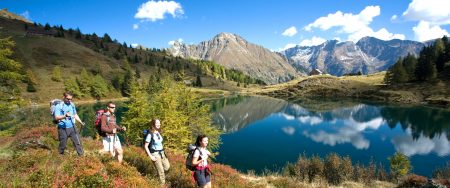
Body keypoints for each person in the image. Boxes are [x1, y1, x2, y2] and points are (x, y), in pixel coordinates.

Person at [144, 119, 170, 185]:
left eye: (159, 123)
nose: (159, 124)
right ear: (153, 124)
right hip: (155, 154)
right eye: (157, 123)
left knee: (167, 167)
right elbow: (146, 146)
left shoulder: (158, 132)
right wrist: (151, 156)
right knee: (161, 172)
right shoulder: (150, 134)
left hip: (162, 153)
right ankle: (162, 185)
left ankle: (157, 178)